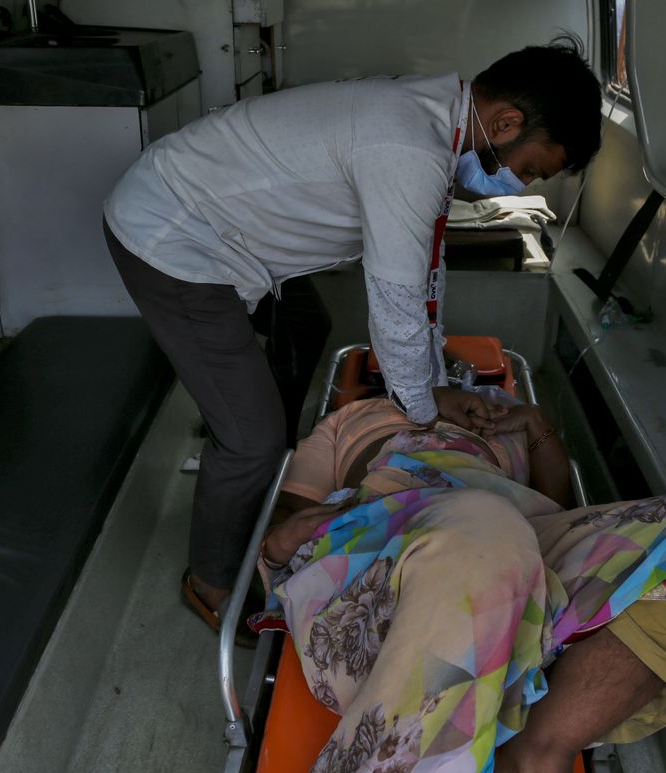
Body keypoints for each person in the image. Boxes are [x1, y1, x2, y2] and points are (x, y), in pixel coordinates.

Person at [102, 37, 603, 631]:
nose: (519, 183)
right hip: (175, 236)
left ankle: (263, 461)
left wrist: (434, 382)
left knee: (304, 327)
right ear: (506, 123)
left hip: (219, 225)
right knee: (250, 439)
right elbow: (394, 300)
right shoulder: (408, 149)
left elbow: (426, 272)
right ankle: (212, 580)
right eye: (528, 169)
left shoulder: (436, 121)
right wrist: (422, 408)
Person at [252, 396, 666, 773]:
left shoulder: (490, 416)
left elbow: (560, 506)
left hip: (520, 543)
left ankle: (540, 752)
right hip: (385, 553)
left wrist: (536, 425)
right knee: (484, 523)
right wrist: (276, 548)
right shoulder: (355, 416)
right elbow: (288, 519)